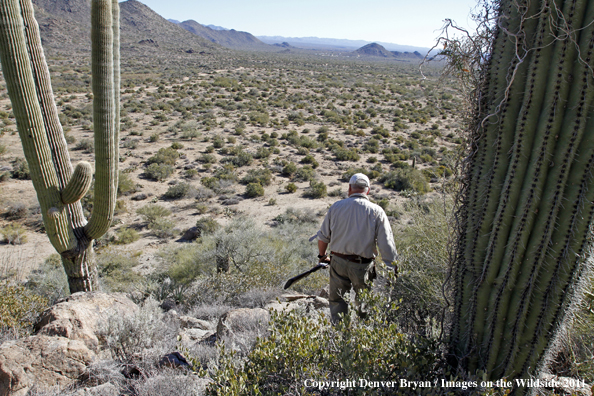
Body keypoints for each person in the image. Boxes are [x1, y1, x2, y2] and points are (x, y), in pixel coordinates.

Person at [317, 173, 398, 323]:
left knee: (337, 302)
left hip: (338, 262)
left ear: (349, 188)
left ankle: (340, 336)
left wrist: (322, 256)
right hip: (362, 266)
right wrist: (391, 267)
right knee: (365, 304)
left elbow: (323, 237)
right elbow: (386, 243)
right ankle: (363, 335)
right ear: (367, 190)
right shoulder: (376, 211)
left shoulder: (336, 207)